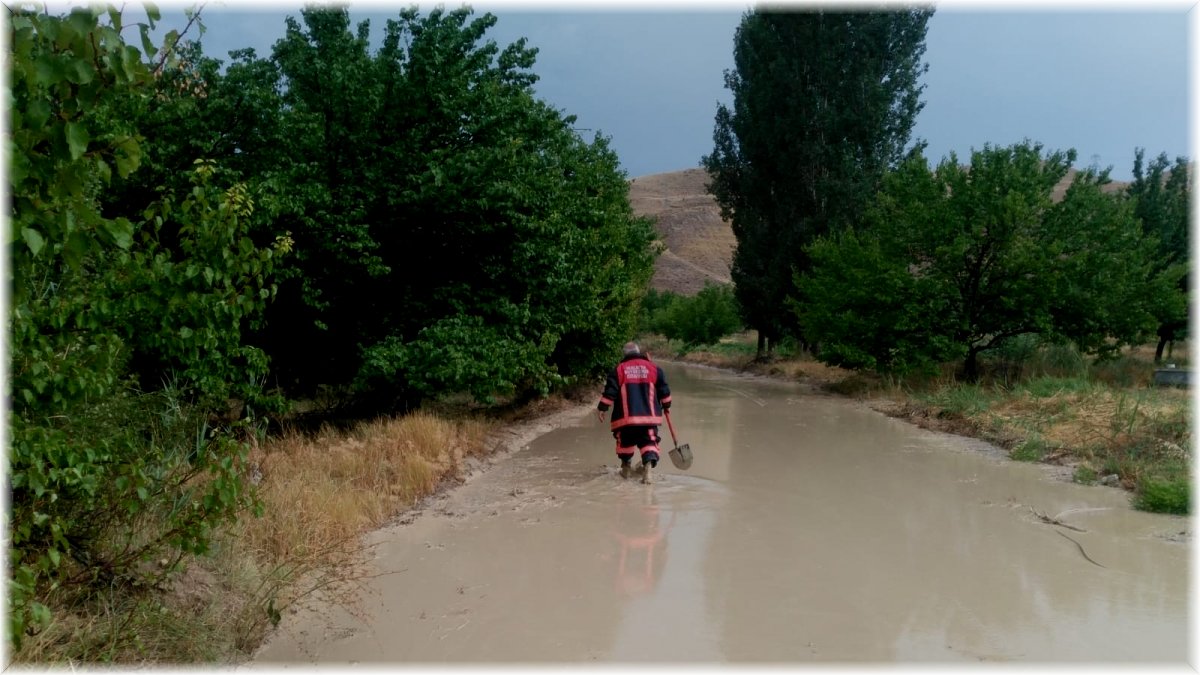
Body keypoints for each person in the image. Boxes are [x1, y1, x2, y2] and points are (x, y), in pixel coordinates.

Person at [597, 341, 672, 483]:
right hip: (648, 419)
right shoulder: (654, 369)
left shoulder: (618, 370)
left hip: (626, 419)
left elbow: (610, 393)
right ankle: (648, 470)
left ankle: (626, 469)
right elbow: (664, 391)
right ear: (639, 353)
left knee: (625, 443)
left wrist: (602, 408)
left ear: (624, 354)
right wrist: (667, 405)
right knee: (648, 441)